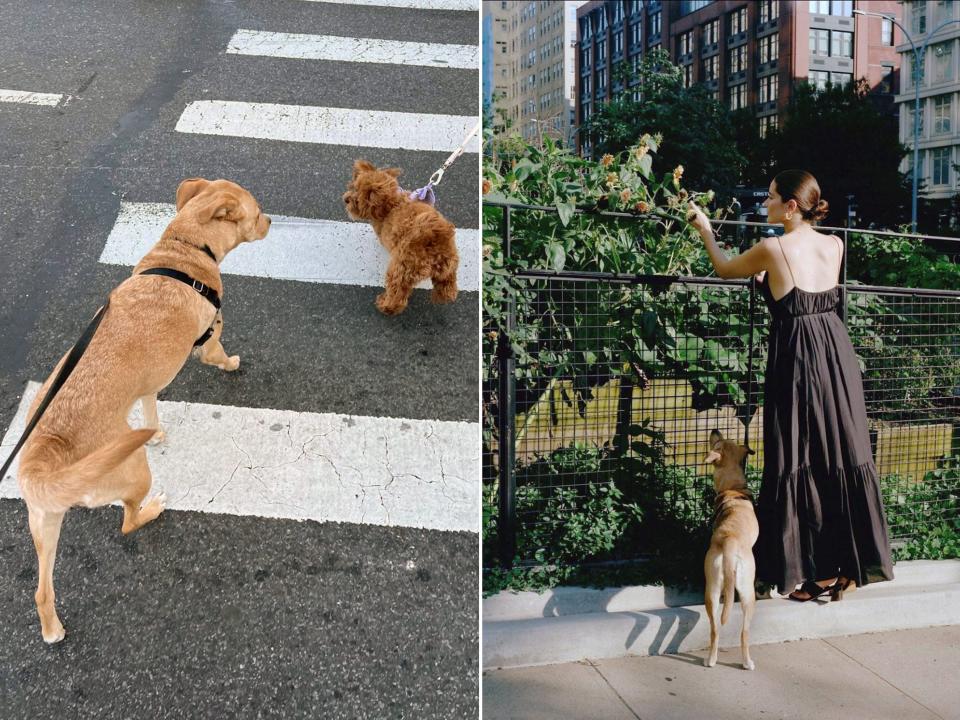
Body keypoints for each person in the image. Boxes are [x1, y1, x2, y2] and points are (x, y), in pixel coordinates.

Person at [686, 169, 893, 601]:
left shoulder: (772, 247)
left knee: (797, 452)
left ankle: (804, 572)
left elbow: (724, 268)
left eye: (772, 198)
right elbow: (810, 298)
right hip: (836, 354)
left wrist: (706, 229)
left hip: (797, 360)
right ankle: (848, 568)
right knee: (840, 451)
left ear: (791, 206)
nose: (766, 205)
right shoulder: (835, 244)